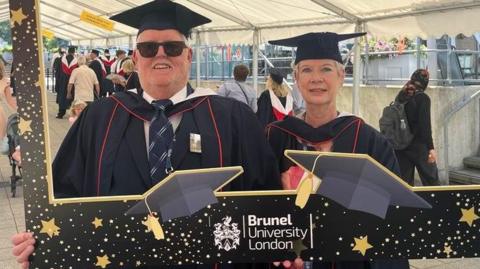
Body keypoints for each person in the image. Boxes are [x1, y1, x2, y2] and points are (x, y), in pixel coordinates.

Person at [12, 1, 280, 268]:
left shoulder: (233, 117)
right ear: (136, 58)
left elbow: (266, 199)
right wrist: (41, 243)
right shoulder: (99, 116)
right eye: (148, 48)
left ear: (188, 56)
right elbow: (65, 193)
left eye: (172, 47)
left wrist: (282, 246)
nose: (160, 55)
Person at [266, 32, 408, 269]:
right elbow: (255, 208)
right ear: (296, 78)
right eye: (307, 70)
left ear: (342, 76)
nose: (316, 78)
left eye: (326, 69)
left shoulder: (369, 141)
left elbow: (392, 215)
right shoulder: (275, 136)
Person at [394, 69, 440, 186]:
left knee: (405, 186)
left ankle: (407, 205)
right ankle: (437, 205)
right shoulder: (423, 98)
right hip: (419, 147)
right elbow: (425, 126)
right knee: (432, 184)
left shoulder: (401, 95)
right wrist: (431, 148)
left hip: (401, 146)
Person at [56, 46, 78, 119]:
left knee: (62, 96)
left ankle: (60, 114)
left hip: (62, 81)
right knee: (72, 96)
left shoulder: (60, 59)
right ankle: (73, 114)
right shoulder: (76, 61)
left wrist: (57, 82)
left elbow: (57, 72)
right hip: (72, 83)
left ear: (68, 51)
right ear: (74, 52)